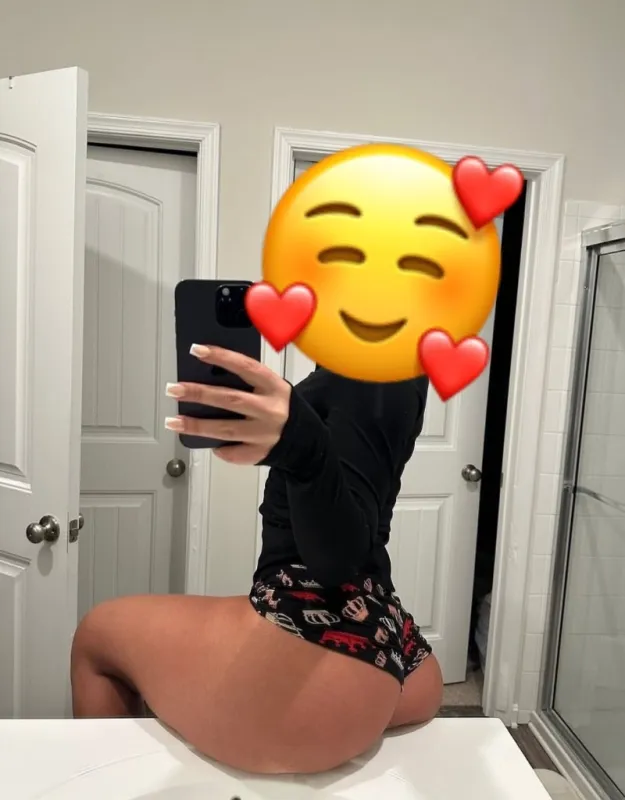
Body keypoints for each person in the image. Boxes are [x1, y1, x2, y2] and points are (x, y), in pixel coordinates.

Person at [70, 344, 443, 775]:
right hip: (387, 635)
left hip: (328, 660)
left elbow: (337, 562)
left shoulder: (369, 361)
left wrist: (304, 446)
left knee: (97, 634)